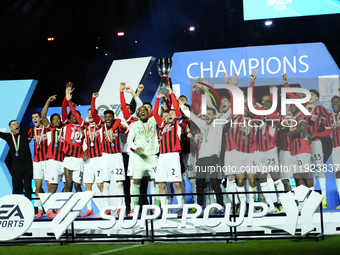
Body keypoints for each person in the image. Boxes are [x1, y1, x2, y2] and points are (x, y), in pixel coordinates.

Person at [91, 92, 128, 216]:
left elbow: (125, 126)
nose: (107, 119)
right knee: (105, 182)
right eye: (106, 117)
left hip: (117, 156)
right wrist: (93, 100)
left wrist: (116, 121)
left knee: (119, 183)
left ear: (112, 118)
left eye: (109, 117)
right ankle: (106, 207)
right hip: (105, 157)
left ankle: (120, 206)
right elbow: (93, 113)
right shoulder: (100, 125)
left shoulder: (118, 126)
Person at [154, 88, 185, 213]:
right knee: (161, 183)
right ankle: (164, 209)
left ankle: (181, 207)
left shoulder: (178, 125)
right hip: (162, 156)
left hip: (173, 155)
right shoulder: (163, 126)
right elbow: (155, 114)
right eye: (169, 114)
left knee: (177, 183)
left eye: (173, 114)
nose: (171, 115)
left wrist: (171, 93)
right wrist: (157, 98)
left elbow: (177, 111)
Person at [41, 95, 65, 218]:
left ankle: (59, 205)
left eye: (58, 118)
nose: (56, 120)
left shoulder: (65, 129)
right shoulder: (49, 129)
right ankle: (49, 209)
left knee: (69, 184)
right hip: (53, 161)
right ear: (52, 121)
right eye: (54, 118)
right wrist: (47, 102)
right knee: (53, 186)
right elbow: (43, 116)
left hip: (64, 161)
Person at [0, 120, 33, 200]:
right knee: (16, 187)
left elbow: (34, 126)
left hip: (27, 165)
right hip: (16, 166)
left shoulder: (24, 132)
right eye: (14, 125)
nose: (17, 125)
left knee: (27, 187)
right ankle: (15, 204)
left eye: (17, 124)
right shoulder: (8, 136)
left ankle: (28, 205)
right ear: (10, 128)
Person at [27, 111, 50, 218]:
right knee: (38, 187)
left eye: (36, 117)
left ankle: (50, 209)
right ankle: (40, 210)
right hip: (36, 161)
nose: (34, 119)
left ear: (41, 118)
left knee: (50, 186)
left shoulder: (47, 128)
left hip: (48, 161)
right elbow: (24, 141)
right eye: (33, 117)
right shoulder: (31, 130)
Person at [325, 96, 340, 209]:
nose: (335, 103)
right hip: (335, 147)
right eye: (333, 102)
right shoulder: (329, 117)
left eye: (337, 102)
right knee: (338, 173)